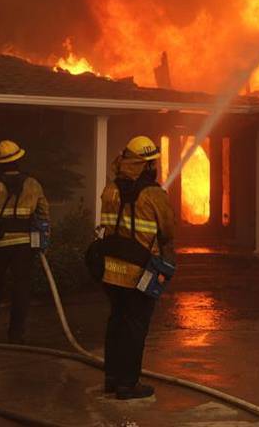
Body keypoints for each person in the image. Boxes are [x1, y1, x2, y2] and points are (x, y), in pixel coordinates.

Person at [99, 135, 176, 400]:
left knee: (117, 321)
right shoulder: (153, 194)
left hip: (111, 269)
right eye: (152, 161)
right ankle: (128, 385)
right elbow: (167, 230)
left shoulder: (110, 190)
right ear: (145, 164)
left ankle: (111, 378)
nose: (154, 165)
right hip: (139, 272)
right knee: (135, 327)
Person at [0, 139, 49, 344]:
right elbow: (43, 214)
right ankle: (16, 335)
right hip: (25, 247)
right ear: (18, 160)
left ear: (0, 162)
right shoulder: (32, 184)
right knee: (21, 290)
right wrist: (43, 239)